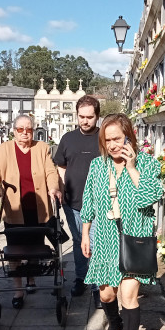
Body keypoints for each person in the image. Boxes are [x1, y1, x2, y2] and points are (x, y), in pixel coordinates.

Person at [80, 113, 163, 330]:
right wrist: (85, 233)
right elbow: (89, 200)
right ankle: (114, 324)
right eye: (108, 140)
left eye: (117, 138)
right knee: (106, 295)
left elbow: (149, 198)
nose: (113, 145)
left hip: (134, 239)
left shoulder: (148, 164)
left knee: (128, 296)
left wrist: (131, 167)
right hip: (105, 239)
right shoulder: (97, 166)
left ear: (129, 135)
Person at [0, 114, 62, 309]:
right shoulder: (4, 150)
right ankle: (18, 289)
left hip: (38, 209)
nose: (25, 133)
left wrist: (54, 188)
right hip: (15, 209)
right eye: (20, 130)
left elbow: (51, 172)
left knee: (35, 246)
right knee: (16, 251)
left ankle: (31, 278)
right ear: (14, 131)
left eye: (29, 129)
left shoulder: (42, 148)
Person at [53, 95, 102, 308]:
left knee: (96, 243)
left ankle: (98, 286)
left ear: (97, 116)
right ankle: (81, 278)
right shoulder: (67, 139)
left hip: (100, 203)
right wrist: (62, 188)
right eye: (81, 116)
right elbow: (61, 165)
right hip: (72, 201)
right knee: (78, 242)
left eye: (89, 117)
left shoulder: (104, 138)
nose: (85, 121)